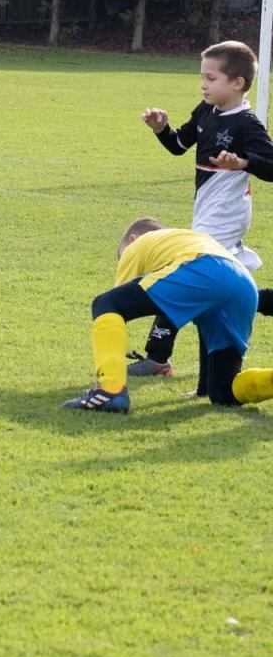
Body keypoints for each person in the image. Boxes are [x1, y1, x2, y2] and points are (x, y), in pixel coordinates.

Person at [128, 40, 273, 382]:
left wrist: (243, 163)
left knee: (185, 277)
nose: (203, 85)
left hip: (226, 214)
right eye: (202, 77)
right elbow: (179, 145)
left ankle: (157, 356)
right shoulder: (207, 111)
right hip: (205, 212)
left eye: (211, 78)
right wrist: (161, 130)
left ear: (237, 83)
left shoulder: (247, 125)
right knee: (218, 290)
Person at [63, 217, 273, 413]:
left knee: (105, 303)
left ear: (132, 239)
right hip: (244, 284)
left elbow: (117, 304)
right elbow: (207, 328)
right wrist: (203, 388)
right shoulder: (182, 243)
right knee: (223, 393)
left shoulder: (137, 246)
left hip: (206, 267)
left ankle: (110, 391)